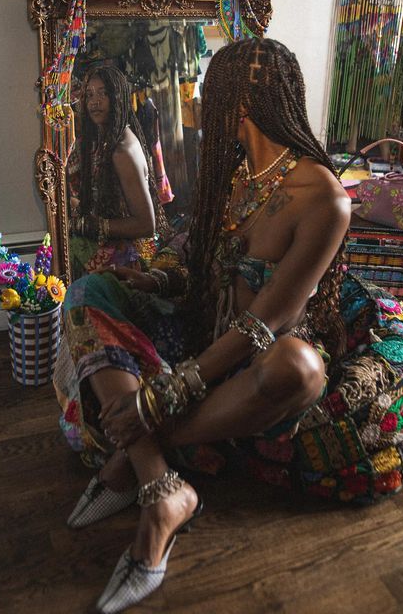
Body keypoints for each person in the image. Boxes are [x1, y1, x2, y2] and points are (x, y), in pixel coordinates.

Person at [58, 38, 353, 613]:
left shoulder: (323, 197)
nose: (197, 99)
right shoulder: (235, 175)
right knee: (89, 289)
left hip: (251, 353)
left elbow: (271, 319)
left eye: (209, 90)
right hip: (199, 331)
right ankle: (162, 485)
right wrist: (160, 282)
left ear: (241, 99)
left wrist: (167, 393)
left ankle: (134, 459)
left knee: (299, 367)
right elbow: (199, 263)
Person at [67, 65, 171, 280]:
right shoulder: (109, 139)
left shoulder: (121, 151)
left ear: (119, 97)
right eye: (89, 95)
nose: (95, 102)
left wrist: (93, 226)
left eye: (104, 93)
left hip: (123, 265)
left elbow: (146, 224)